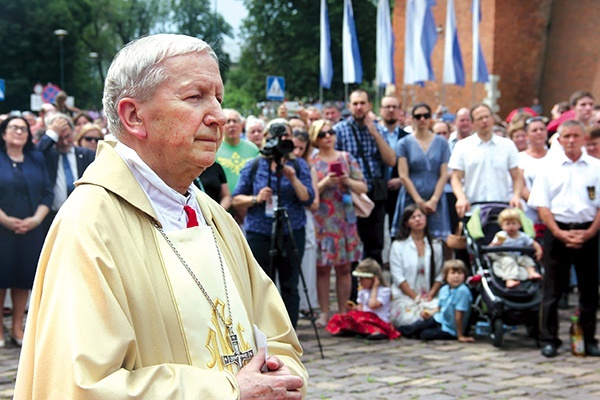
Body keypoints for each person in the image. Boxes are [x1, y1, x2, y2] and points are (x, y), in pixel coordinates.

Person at [15, 34, 307, 398]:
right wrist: (227, 391)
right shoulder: (89, 224)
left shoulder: (213, 216)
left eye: (219, 98)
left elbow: (279, 339)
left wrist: (281, 378)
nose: (217, 116)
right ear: (134, 116)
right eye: (195, 97)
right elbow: (81, 387)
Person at [232, 120, 315, 329]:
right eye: (276, 136)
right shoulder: (254, 165)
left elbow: (308, 199)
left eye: (286, 136)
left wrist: (293, 179)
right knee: (261, 284)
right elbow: (236, 198)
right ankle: (263, 332)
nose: (280, 141)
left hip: (291, 229)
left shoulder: (298, 165)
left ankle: (290, 333)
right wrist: (255, 198)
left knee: (290, 284)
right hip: (260, 231)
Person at [528, 119, 600, 358]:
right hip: (557, 231)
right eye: (566, 136)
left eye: (575, 136)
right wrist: (559, 233)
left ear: (583, 139)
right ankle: (549, 339)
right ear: (558, 140)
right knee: (552, 290)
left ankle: (589, 338)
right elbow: (542, 206)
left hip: (588, 231)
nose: (571, 141)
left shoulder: (595, 167)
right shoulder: (548, 168)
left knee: (589, 290)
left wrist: (589, 232)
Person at [0, 117, 53, 347]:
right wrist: (7, 221)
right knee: (1, 278)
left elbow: (47, 193)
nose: (19, 131)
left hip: (31, 228)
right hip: (2, 229)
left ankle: (18, 326)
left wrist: (35, 220)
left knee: (23, 277)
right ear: (3, 133)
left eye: (23, 128)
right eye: (14, 127)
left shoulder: (37, 158)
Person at [309, 119, 367, 327]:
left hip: (344, 220)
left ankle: (343, 311)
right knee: (322, 268)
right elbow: (310, 193)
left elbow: (363, 187)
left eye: (331, 132)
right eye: (323, 134)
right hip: (322, 221)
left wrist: (347, 181)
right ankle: (324, 311)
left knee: (344, 268)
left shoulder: (346, 158)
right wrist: (325, 182)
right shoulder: (312, 162)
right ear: (315, 138)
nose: (328, 137)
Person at [333, 89, 396, 265]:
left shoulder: (379, 130)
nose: (359, 107)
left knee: (375, 243)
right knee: (352, 240)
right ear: (349, 106)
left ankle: (374, 285)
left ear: (369, 105)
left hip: (374, 192)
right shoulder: (339, 130)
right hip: (349, 193)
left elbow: (391, 160)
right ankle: (354, 288)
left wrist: (375, 133)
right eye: (355, 103)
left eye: (362, 103)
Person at [449, 103, 523, 218]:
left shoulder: (507, 145)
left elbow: (517, 176)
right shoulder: (462, 146)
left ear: (493, 119)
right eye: (479, 118)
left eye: (487, 117)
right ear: (472, 123)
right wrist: (461, 198)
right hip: (473, 209)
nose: (484, 121)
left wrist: (516, 196)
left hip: (502, 208)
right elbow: (456, 178)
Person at [392, 103, 451, 240]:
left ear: (431, 119)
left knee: (437, 240)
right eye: (418, 116)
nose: (422, 119)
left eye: (426, 116)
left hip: (435, 196)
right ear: (412, 119)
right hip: (411, 196)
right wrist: (419, 201)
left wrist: (434, 200)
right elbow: (403, 175)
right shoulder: (404, 143)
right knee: (409, 237)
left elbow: (443, 174)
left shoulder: (442, 143)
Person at [36, 112, 95, 230]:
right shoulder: (46, 155)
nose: (64, 142)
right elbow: (35, 154)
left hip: (82, 216)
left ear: (74, 133)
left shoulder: (87, 155)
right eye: (59, 138)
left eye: (67, 136)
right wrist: (52, 133)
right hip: (53, 217)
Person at [389, 205, 444, 328]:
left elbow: (440, 274)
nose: (418, 220)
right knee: (407, 316)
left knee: (441, 310)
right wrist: (415, 297)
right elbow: (398, 277)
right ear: (407, 223)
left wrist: (431, 294)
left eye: (420, 216)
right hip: (406, 296)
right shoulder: (398, 246)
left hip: (428, 296)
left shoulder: (435, 245)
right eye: (413, 217)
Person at [396, 259, 474, 342]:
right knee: (416, 326)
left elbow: (459, 315)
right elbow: (440, 307)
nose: (456, 276)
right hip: (440, 320)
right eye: (453, 273)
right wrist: (429, 313)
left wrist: (460, 335)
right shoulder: (444, 289)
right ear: (446, 276)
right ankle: (396, 331)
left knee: (425, 334)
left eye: (460, 273)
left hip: (450, 329)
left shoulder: (463, 291)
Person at [325, 258, 400, 340]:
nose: (360, 281)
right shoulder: (362, 291)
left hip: (378, 320)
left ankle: (378, 332)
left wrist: (374, 288)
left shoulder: (384, 291)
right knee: (345, 317)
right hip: (364, 318)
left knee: (365, 321)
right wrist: (354, 308)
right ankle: (356, 330)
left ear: (373, 278)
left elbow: (372, 305)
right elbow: (361, 308)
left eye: (362, 279)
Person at [291, 129, 320, 319]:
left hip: (303, 217)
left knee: (306, 261)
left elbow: (314, 201)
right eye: (294, 147)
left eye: (302, 148)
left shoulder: (307, 168)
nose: (297, 152)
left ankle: (305, 303)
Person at [487, 208, 543, 288]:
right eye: (507, 224)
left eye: (514, 223)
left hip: (518, 256)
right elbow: (490, 248)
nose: (511, 227)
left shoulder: (522, 236)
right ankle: (509, 279)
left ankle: (531, 272)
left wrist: (538, 249)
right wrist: (496, 244)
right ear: (502, 226)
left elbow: (533, 243)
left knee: (526, 259)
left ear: (519, 224)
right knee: (508, 261)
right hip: (504, 256)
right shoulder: (501, 235)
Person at [216, 109, 260, 195]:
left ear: (242, 125)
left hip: (247, 202)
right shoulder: (214, 148)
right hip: (221, 203)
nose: (232, 125)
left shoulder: (253, 149)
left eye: (235, 121)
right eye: (228, 121)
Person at [518, 116, 549, 225]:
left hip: (553, 211)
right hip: (529, 214)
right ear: (527, 135)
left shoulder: (556, 157)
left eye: (542, 129)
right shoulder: (520, 158)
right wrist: (540, 207)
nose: (539, 133)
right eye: (534, 130)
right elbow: (521, 186)